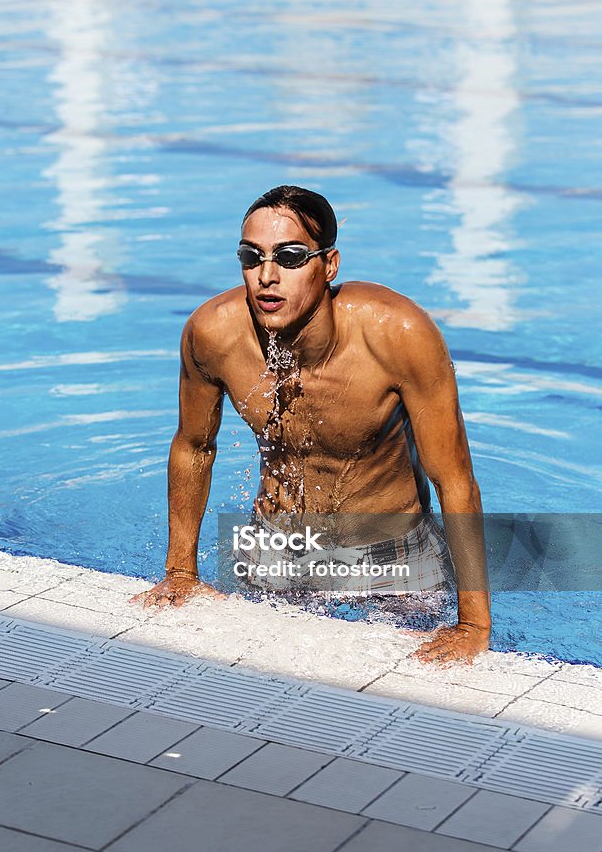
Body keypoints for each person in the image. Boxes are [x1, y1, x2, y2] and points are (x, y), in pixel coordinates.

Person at [130, 185, 491, 664]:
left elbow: (454, 478)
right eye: (251, 256)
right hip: (276, 544)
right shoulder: (213, 333)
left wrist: (473, 623)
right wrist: (180, 571)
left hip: (392, 552)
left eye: (291, 256)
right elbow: (194, 446)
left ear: (330, 265)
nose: (267, 276)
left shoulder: (398, 334)